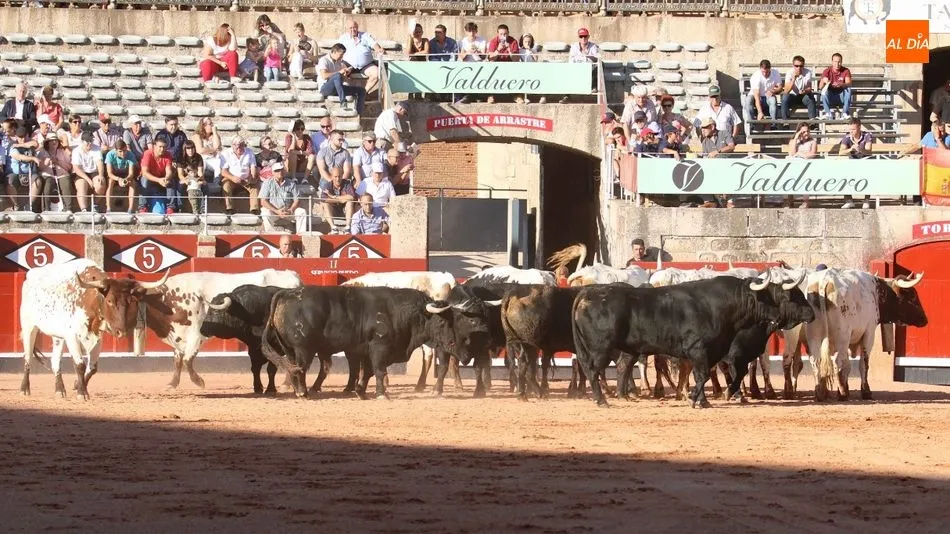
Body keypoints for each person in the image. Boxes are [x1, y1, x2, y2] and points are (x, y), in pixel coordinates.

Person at [338, 20, 385, 96]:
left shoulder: (365, 35)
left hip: (366, 65)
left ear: (357, 27)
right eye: (350, 28)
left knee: (376, 74)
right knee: (341, 72)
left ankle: (363, 93)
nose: (353, 29)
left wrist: (378, 49)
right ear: (347, 29)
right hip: (348, 64)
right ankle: (348, 94)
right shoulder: (343, 38)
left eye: (354, 27)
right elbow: (337, 49)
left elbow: (374, 45)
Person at [317, 43, 366, 114]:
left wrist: (346, 74)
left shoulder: (339, 62)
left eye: (343, 55)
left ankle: (358, 114)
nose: (342, 57)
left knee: (361, 90)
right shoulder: (324, 60)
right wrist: (339, 72)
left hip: (338, 89)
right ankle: (343, 102)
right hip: (325, 88)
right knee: (337, 75)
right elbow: (324, 76)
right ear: (334, 52)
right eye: (340, 55)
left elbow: (341, 79)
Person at [260, 162, 307, 234]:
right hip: (273, 211)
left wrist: (291, 210)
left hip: (288, 211)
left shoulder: (291, 183)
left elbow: (297, 199)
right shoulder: (267, 183)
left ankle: (301, 235)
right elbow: (263, 201)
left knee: (301, 212)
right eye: (277, 170)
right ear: (273, 172)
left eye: (281, 170)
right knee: (265, 212)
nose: (280, 172)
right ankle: (270, 235)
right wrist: (277, 211)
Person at [220, 135, 260, 215]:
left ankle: (254, 209)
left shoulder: (250, 152)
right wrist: (233, 178)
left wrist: (251, 177)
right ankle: (229, 208)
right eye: (236, 145)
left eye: (241, 145)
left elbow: (253, 167)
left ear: (244, 145)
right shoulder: (225, 153)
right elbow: (223, 171)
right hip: (231, 178)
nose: (238, 147)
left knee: (255, 186)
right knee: (226, 186)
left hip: (246, 178)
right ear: (232, 145)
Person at [840, 118, 873, 209]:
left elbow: (869, 151)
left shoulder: (867, 135)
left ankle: (866, 200)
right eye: (850, 129)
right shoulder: (847, 137)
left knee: (868, 176)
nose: (851, 131)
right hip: (852, 162)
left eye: (853, 129)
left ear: (859, 127)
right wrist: (851, 149)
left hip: (865, 161)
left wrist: (860, 149)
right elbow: (841, 152)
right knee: (844, 175)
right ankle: (849, 200)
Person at [37, 134, 73, 212]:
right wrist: (47, 163)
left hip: (62, 174)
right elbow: (39, 168)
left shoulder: (62, 152)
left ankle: (68, 209)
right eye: (52, 140)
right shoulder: (42, 153)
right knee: (48, 184)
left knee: (66, 183)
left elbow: (69, 167)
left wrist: (58, 162)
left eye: (56, 140)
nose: (54, 142)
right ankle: (46, 209)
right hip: (48, 174)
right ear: (47, 143)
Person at [70, 131, 106, 212]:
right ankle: (84, 209)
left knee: (101, 183)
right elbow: (77, 169)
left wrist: (101, 175)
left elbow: (99, 163)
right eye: (88, 141)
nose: (90, 143)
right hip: (81, 173)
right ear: (82, 141)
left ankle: (94, 204)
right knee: (82, 185)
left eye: (91, 141)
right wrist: (88, 180)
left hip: (94, 172)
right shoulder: (76, 151)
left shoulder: (97, 148)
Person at [785, 122, 817, 209]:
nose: (806, 133)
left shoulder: (812, 142)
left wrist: (801, 154)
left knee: (805, 177)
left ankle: (805, 201)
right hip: (794, 165)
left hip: (806, 165)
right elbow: (792, 153)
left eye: (807, 131)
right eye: (803, 132)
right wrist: (796, 138)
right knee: (788, 176)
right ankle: (789, 201)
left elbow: (813, 154)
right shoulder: (794, 141)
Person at [139, 137, 174, 214]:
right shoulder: (148, 153)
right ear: (154, 146)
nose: (162, 149)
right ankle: (142, 206)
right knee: (144, 179)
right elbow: (145, 172)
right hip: (150, 178)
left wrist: (166, 178)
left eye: (164, 147)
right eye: (160, 147)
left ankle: (170, 207)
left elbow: (169, 171)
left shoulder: (167, 154)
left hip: (161, 178)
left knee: (170, 180)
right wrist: (158, 180)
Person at [104, 139, 138, 213]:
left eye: (125, 151)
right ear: (115, 150)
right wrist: (119, 179)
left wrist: (126, 179)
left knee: (132, 183)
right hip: (114, 175)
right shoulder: (110, 155)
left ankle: (130, 209)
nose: (123, 153)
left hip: (125, 174)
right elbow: (109, 173)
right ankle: (108, 208)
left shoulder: (130, 155)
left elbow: (131, 173)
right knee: (110, 182)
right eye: (120, 151)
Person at [456, 22, 487, 103]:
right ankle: (467, 96)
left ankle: (478, 96)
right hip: (467, 65)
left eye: (473, 31)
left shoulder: (482, 40)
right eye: (469, 31)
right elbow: (461, 57)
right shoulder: (462, 42)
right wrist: (468, 52)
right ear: (465, 31)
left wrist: (478, 51)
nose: (472, 33)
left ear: (476, 31)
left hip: (479, 64)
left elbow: (483, 56)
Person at [320, 166, 356, 233]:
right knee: (325, 204)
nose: (337, 179)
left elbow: (351, 197)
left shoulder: (347, 183)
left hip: (345, 210)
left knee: (350, 202)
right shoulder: (327, 185)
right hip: (333, 210)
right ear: (332, 176)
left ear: (342, 175)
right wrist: (341, 199)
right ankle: (333, 227)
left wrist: (334, 197)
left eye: (339, 176)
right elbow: (324, 199)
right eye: (335, 176)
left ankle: (348, 227)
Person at [780, 55, 817, 120]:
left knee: (810, 96)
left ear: (803, 65)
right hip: (792, 97)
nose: (798, 68)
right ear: (793, 65)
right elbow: (786, 91)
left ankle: (812, 120)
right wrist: (793, 79)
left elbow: (809, 87)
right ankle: (785, 121)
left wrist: (805, 91)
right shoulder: (789, 73)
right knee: (785, 97)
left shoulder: (807, 72)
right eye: (796, 66)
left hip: (803, 96)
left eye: (801, 66)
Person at [819, 53, 853, 119]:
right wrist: (824, 81)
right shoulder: (827, 71)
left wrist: (842, 84)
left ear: (841, 62)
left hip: (841, 96)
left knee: (848, 90)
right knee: (823, 91)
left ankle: (844, 113)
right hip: (830, 96)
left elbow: (849, 84)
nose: (837, 64)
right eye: (835, 61)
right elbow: (820, 87)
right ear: (832, 62)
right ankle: (828, 113)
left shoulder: (846, 70)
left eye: (839, 62)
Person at [177, 140, 207, 214]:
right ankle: (180, 208)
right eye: (188, 148)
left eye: (192, 148)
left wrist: (200, 179)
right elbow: (180, 174)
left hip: (196, 178)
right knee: (180, 187)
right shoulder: (180, 158)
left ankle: (203, 208)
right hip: (185, 178)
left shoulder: (198, 157)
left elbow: (200, 172)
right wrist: (185, 180)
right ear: (185, 149)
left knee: (205, 186)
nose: (190, 150)